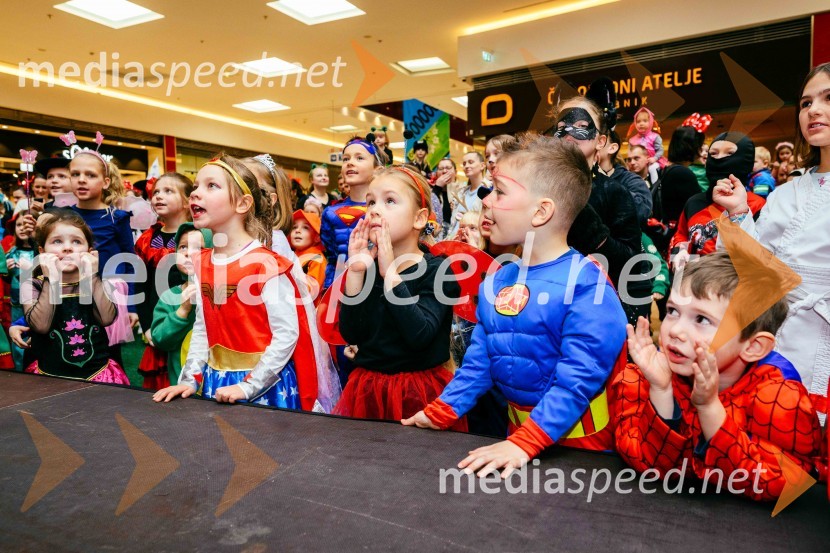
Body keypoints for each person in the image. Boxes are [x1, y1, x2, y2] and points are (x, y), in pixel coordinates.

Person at [403, 136, 627, 475]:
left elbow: (577, 380)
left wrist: (525, 442)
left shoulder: (586, 285)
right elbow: (480, 361)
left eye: (500, 191)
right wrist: (441, 412)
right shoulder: (498, 278)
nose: (487, 200)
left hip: (584, 455)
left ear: (541, 211)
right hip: (515, 444)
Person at [614, 252, 822, 501]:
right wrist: (661, 391)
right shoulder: (641, 377)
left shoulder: (779, 397)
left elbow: (787, 484)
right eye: (672, 311)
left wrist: (709, 407)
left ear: (753, 346)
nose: (676, 330)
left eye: (701, 319)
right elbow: (646, 464)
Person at [153, 154, 339, 412]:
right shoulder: (201, 263)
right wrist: (189, 380)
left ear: (243, 203)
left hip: (265, 389)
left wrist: (248, 386)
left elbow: (287, 335)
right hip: (217, 384)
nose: (195, 193)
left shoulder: (266, 265)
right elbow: (203, 328)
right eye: (196, 186)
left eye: (211, 186)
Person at [712, 62, 830, 422]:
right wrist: (737, 214)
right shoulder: (786, 192)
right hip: (772, 336)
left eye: (828, 98)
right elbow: (759, 273)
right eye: (806, 103)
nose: (814, 110)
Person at [333, 165, 461, 424]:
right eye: (370, 202)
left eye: (389, 201)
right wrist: (357, 272)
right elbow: (352, 333)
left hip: (418, 393)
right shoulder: (367, 266)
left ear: (419, 218)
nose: (375, 210)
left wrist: (390, 272)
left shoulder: (439, 270)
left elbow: (420, 335)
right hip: (368, 389)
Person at [554, 95, 652, 326]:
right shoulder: (540, 189)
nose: (569, 133)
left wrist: (595, 234)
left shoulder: (613, 191)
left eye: (580, 127)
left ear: (601, 141)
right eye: (561, 127)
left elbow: (632, 264)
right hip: (549, 305)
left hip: (598, 312)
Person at [21, 209, 129, 384]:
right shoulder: (33, 285)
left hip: (98, 376)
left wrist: (92, 276)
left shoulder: (99, 282)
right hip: (49, 378)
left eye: (77, 242)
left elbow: (107, 319)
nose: (67, 247)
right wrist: (51, 278)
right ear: (42, 251)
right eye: (57, 241)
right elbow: (41, 325)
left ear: (89, 251)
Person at [670, 132, 766, 269]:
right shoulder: (694, 203)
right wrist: (679, 252)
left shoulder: (758, 205)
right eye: (713, 154)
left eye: (729, 153)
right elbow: (681, 235)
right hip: (695, 282)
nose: (719, 159)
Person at [134, 172, 193, 390]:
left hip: (190, 322)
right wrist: (147, 325)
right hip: (159, 322)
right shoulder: (148, 240)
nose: (158, 196)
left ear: (188, 201)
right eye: (156, 191)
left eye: (168, 191)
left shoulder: (197, 237)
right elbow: (141, 285)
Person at [150, 223, 212, 386]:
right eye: (183, 247)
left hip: (218, 382)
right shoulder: (170, 296)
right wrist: (182, 311)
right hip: (181, 382)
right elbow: (160, 341)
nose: (188, 253)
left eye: (199, 248)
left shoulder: (223, 295)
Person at [320, 137, 385, 290]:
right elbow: (331, 255)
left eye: (359, 158)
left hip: (377, 289)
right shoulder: (330, 213)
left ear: (377, 169)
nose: (350, 162)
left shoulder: (385, 212)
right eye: (346, 159)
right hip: (339, 289)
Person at [597, 130, 651, 226]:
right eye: (629, 159)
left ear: (612, 148)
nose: (632, 162)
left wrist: (608, 183)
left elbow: (642, 213)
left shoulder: (631, 180)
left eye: (600, 140)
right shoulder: (582, 178)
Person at [4, 215, 37, 370]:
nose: (23, 228)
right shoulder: (11, 253)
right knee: (18, 336)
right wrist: (8, 271)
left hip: (36, 302)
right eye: (19, 225)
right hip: (17, 303)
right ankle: (19, 368)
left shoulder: (39, 253)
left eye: (27, 224)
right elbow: (7, 281)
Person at [289, 209, 326, 298]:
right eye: (294, 227)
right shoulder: (290, 255)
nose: (298, 230)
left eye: (305, 227)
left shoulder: (317, 259)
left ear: (317, 237)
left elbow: (311, 292)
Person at [448, 152, 487, 236]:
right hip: (454, 240)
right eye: (464, 163)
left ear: (482, 165)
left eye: (471, 162)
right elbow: (454, 222)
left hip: (473, 242)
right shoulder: (461, 193)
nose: (466, 166)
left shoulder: (487, 192)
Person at [627, 107, 666, 183]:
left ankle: (656, 187)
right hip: (638, 164)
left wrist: (654, 158)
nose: (641, 124)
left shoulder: (655, 137)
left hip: (653, 162)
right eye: (638, 121)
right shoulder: (632, 140)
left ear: (651, 122)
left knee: (653, 168)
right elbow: (629, 153)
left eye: (645, 121)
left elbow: (660, 150)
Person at [430, 158, 456, 237]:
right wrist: (437, 188)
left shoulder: (463, 191)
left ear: (455, 171)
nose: (444, 171)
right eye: (441, 169)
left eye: (448, 168)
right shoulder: (431, 191)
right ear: (436, 173)